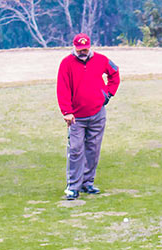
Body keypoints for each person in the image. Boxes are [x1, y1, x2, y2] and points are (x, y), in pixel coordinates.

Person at [56, 33, 120, 201]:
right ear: (74, 48)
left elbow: (115, 73)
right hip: (76, 117)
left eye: (85, 49)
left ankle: (87, 183)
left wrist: (108, 93)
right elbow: (62, 89)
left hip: (97, 113)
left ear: (90, 47)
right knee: (76, 150)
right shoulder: (66, 64)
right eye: (80, 50)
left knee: (93, 149)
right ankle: (73, 187)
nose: (83, 52)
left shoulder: (101, 60)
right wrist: (66, 111)